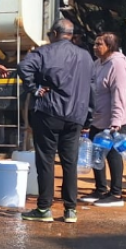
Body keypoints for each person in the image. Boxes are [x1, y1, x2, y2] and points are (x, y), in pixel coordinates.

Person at [18, 19, 94, 224]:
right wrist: (89, 116)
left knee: (46, 161)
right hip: (76, 115)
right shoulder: (86, 56)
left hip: (49, 112)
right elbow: (91, 87)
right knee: (70, 163)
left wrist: (34, 89)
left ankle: (44, 208)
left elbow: (23, 67)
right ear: (70, 34)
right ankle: (71, 210)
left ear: (53, 33)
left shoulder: (43, 52)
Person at [80, 32, 126, 208]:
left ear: (110, 47)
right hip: (97, 117)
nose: (95, 47)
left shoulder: (117, 65)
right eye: (95, 44)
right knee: (97, 153)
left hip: (113, 120)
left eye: (99, 44)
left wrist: (116, 122)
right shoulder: (98, 63)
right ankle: (100, 189)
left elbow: (120, 94)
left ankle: (116, 193)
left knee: (112, 155)